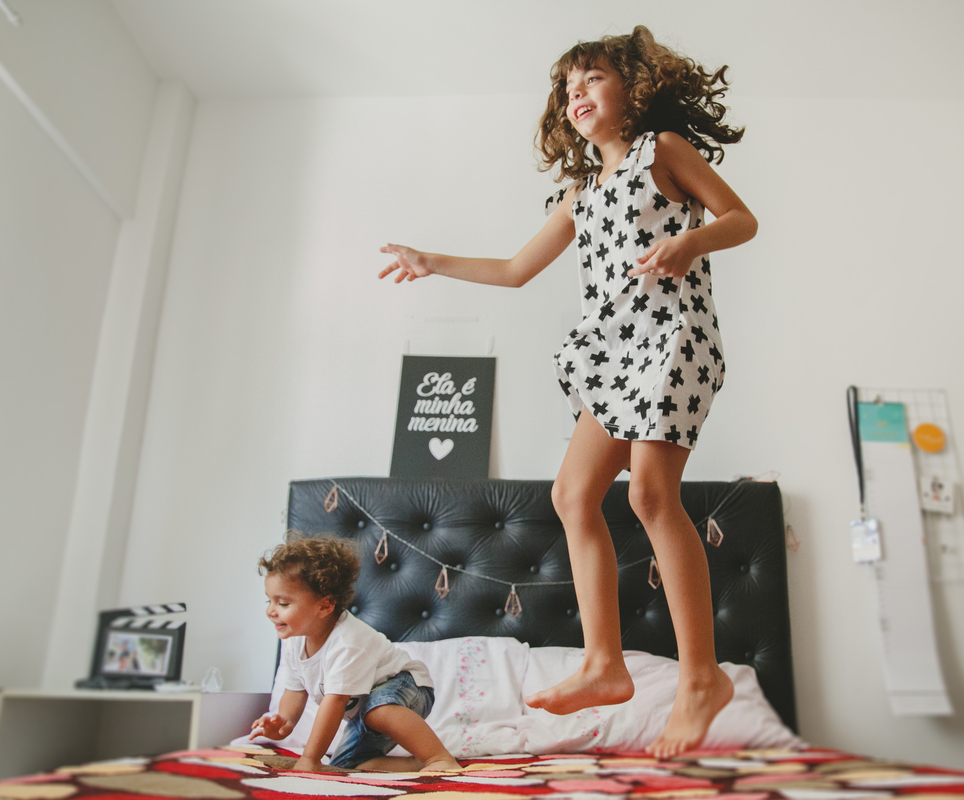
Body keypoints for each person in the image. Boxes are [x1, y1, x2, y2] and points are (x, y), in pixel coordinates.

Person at [378, 25, 756, 759]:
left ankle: (702, 678)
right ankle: (603, 664)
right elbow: (517, 269)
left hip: (673, 338)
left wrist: (690, 242)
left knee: (650, 494)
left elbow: (742, 219)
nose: (577, 93)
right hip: (611, 356)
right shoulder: (580, 193)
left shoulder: (663, 152)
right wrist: (431, 259)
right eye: (568, 87)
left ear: (633, 89)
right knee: (571, 498)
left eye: (593, 79)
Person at [251, 537, 459, 773]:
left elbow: (335, 702)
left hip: (407, 686)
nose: (270, 611)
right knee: (345, 766)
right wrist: (284, 722)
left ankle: (438, 758)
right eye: (270, 601)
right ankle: (417, 764)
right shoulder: (294, 640)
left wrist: (309, 759)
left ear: (325, 606)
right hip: (366, 709)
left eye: (283, 603)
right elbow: (294, 690)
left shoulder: (347, 642)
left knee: (376, 710)